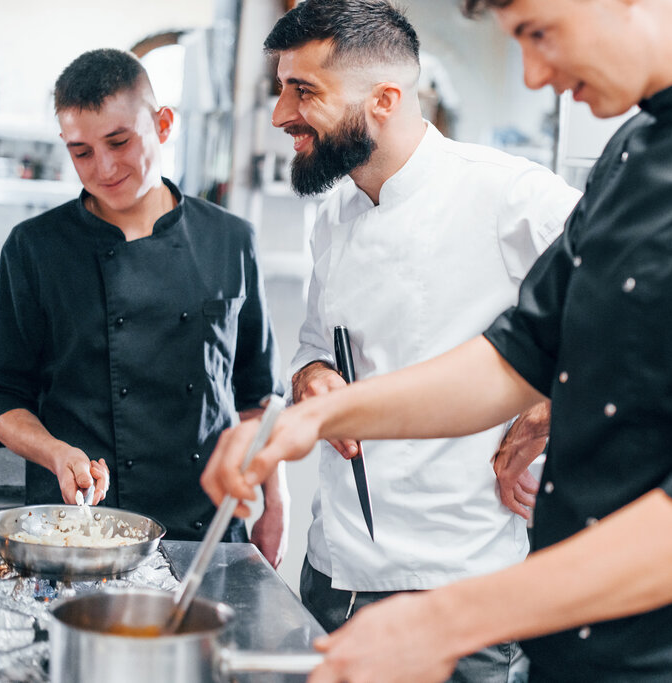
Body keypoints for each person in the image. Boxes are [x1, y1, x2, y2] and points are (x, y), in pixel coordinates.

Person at [205, 0, 672, 680]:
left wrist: (443, 619)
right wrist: (314, 416)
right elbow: (513, 356)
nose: (534, 76)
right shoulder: (636, 150)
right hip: (575, 646)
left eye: (540, 33)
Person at [257, 0, 580, 680]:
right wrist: (313, 378)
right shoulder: (336, 211)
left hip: (462, 589)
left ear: (385, 98)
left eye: (303, 91)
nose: (282, 114)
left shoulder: (512, 196)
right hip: (333, 570)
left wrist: (554, 406)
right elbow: (313, 345)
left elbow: (632, 310)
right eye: (282, 89)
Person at [0, 48, 288, 560]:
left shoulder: (230, 239)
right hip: (79, 529)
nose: (104, 167)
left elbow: (259, 397)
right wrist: (55, 453)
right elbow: (1, 397)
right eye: (81, 152)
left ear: (163, 124)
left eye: (119, 141)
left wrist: (276, 498)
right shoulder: (33, 247)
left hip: (206, 526)